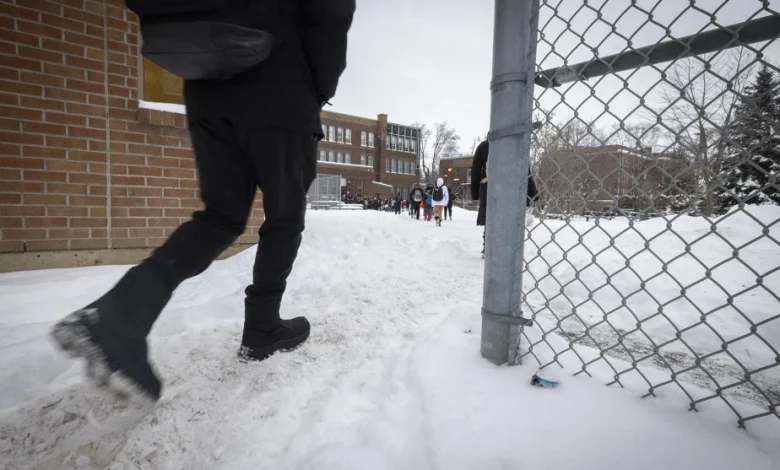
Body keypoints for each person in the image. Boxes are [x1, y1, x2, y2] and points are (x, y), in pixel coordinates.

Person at [49, 0, 356, 401]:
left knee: (221, 216)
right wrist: (317, 90)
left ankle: (118, 314)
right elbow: (330, 13)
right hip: (281, 86)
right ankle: (262, 327)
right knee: (285, 216)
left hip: (208, 88)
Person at [472, 139, 538, 256]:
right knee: (506, 217)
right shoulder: (514, 145)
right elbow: (525, 170)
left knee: (490, 218)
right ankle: (503, 247)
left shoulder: (484, 146)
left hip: (489, 187)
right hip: (509, 187)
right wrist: (531, 192)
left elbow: (476, 171)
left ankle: (488, 247)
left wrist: (475, 192)